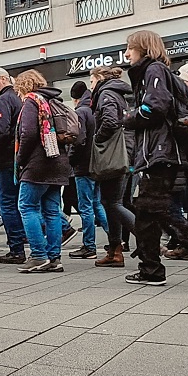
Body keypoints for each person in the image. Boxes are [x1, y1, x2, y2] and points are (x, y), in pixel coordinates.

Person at [123, 31, 188, 289]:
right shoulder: (158, 72)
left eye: (130, 48)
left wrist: (128, 117)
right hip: (160, 153)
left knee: (161, 212)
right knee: (147, 213)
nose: (126, 53)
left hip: (159, 154)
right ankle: (151, 270)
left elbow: (154, 108)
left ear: (143, 49)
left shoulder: (154, 70)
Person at [12, 70, 72, 272]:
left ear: (23, 86)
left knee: (26, 206)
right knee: (52, 212)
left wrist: (21, 160)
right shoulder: (52, 100)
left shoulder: (31, 100)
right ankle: (54, 258)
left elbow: (27, 133)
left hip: (38, 164)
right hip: (58, 161)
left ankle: (38, 255)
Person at [90, 66, 137, 267]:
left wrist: (97, 139)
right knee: (113, 202)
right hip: (127, 151)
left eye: (91, 81)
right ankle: (115, 251)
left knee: (113, 203)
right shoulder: (121, 93)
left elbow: (109, 122)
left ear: (99, 78)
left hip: (116, 154)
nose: (91, 85)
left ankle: (146, 238)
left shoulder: (106, 93)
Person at [0, 68, 28, 264]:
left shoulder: (3, 100)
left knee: (7, 204)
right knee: (23, 203)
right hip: (19, 157)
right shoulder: (19, 98)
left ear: (3, 79)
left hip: (7, 160)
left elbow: (0, 133)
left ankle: (16, 249)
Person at [67, 81, 107, 259]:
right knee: (97, 204)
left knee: (86, 207)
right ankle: (117, 238)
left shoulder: (81, 112)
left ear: (75, 98)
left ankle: (89, 246)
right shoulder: (95, 109)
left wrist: (71, 160)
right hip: (97, 163)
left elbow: (78, 140)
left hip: (83, 166)